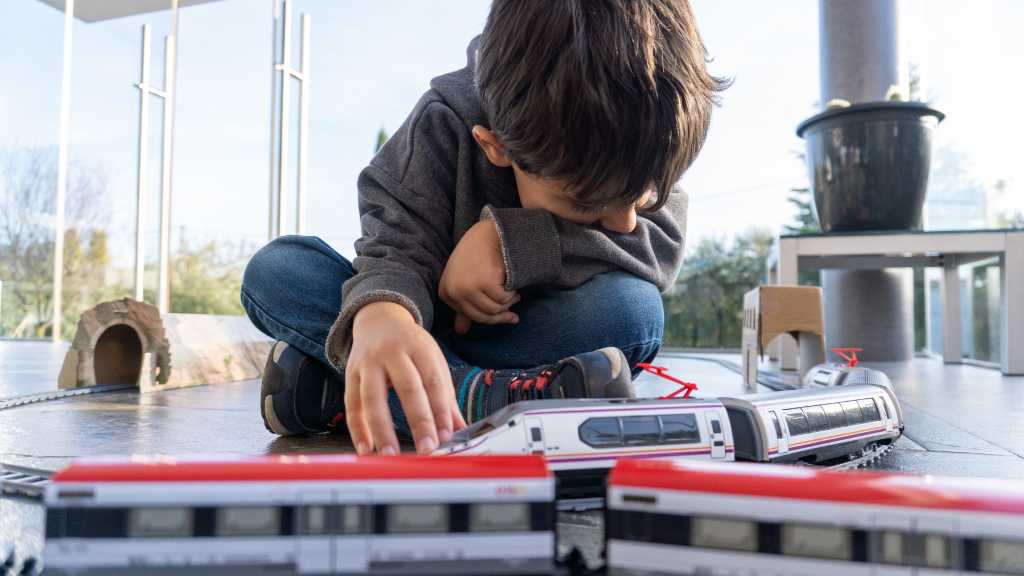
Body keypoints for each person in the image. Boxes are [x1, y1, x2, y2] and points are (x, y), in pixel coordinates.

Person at [242, 0, 726, 457]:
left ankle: (342, 390)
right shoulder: (440, 125)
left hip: (532, 341)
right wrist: (382, 315)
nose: (625, 222)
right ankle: (488, 402)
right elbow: (393, 248)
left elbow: (657, 248)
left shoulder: (644, 133)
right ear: (495, 147)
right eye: (587, 202)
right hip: (422, 330)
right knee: (278, 271)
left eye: (642, 196)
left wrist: (511, 239)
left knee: (634, 311)